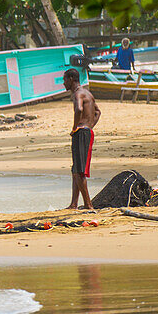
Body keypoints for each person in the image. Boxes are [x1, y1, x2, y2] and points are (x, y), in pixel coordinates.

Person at [63, 69, 100, 210]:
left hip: (81, 133)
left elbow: (79, 110)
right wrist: (90, 126)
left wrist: (75, 128)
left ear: (71, 79)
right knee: (75, 170)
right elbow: (97, 112)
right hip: (86, 132)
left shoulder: (78, 94)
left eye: (65, 79)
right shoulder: (87, 93)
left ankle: (88, 205)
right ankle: (74, 204)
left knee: (79, 171)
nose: (63, 83)